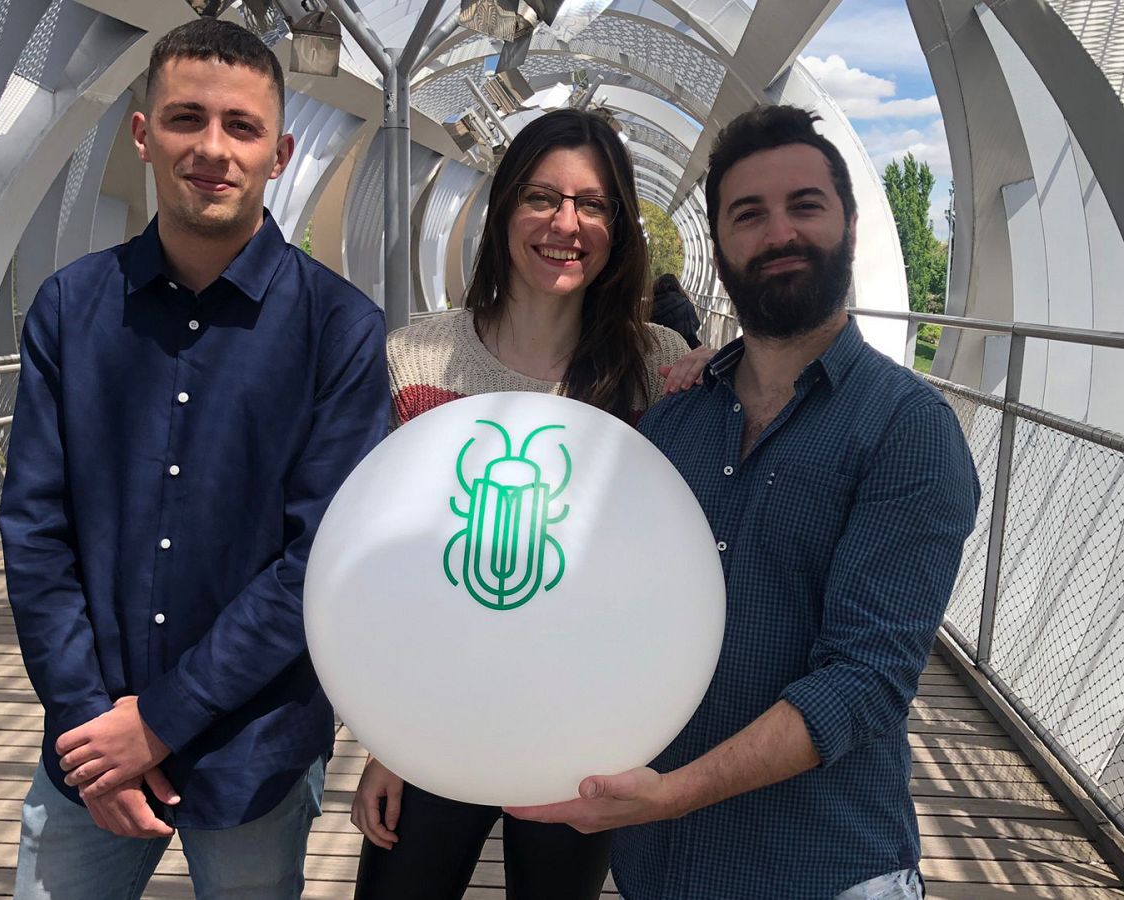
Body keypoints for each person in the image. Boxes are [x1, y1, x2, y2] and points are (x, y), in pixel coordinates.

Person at [506, 104, 981, 899]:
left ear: (850, 225)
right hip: (660, 870)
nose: (778, 233)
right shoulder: (674, 423)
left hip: (818, 868)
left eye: (805, 205)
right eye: (748, 214)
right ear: (720, 246)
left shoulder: (907, 430)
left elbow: (864, 678)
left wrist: (672, 793)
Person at [0, 18, 388, 899]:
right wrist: (91, 722)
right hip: (91, 746)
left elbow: (320, 557)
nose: (213, 148)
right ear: (143, 134)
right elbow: (34, 528)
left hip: (253, 747)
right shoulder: (70, 308)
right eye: (187, 118)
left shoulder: (339, 329)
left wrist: (159, 722)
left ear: (279, 154)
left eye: (241, 127)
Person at [350, 108, 700, 900]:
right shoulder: (417, 357)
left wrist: (716, 373)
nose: (565, 224)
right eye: (542, 197)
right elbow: (387, 567)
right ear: (504, 207)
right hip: (439, 708)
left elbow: (677, 550)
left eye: (593, 204)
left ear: (619, 227)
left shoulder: (658, 368)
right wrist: (385, 738)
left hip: (586, 722)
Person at [649, 273, 702, 349]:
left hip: (657, 349)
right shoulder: (686, 305)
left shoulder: (650, 306)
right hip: (682, 349)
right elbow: (695, 325)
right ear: (677, 287)